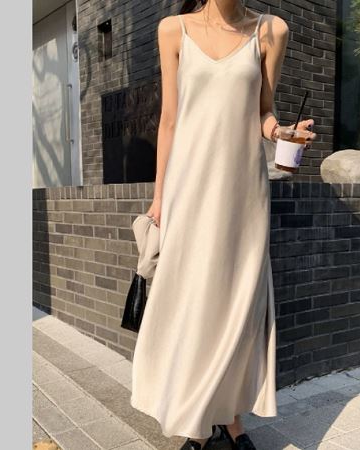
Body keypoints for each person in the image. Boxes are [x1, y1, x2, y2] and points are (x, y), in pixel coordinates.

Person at [130, 1, 317, 449]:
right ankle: (195, 420)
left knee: (236, 302)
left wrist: (280, 132)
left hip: (241, 189)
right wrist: (160, 198)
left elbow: (262, 112)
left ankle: (232, 420)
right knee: (193, 299)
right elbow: (170, 120)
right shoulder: (173, 29)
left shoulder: (272, 30)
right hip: (188, 187)